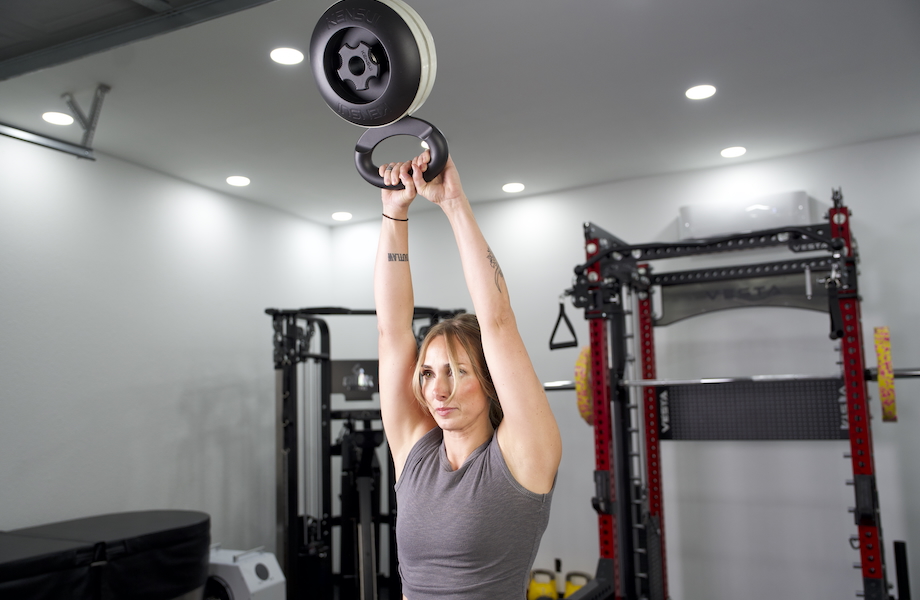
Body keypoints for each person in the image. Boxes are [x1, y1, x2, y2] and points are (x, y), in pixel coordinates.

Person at [374, 150, 562, 600]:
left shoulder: (522, 455)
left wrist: (453, 202)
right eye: (429, 372)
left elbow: (497, 320)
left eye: (458, 371)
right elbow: (392, 332)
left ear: (490, 380)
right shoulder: (414, 453)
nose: (438, 389)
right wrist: (393, 214)